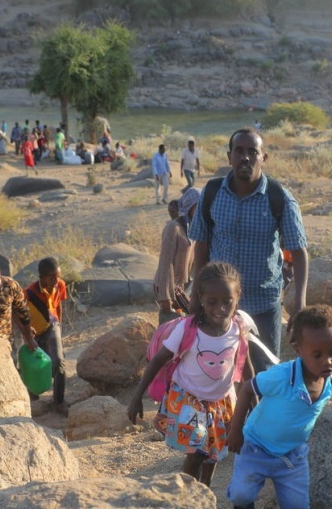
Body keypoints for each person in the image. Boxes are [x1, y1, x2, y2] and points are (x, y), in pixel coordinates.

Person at [188, 127, 308, 372]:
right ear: (229, 156)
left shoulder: (279, 198)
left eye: (252, 152)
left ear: (264, 158)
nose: (245, 157)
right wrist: (196, 297)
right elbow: (201, 245)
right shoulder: (211, 194)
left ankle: (260, 411)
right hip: (218, 306)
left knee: (265, 372)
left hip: (263, 304)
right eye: (239, 151)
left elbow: (299, 252)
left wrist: (300, 305)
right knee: (218, 370)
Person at [127, 262, 255, 487]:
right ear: (201, 298)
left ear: (238, 297)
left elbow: (246, 368)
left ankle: (204, 490)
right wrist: (137, 397)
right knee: (196, 451)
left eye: (227, 301)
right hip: (188, 397)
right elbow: (159, 359)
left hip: (221, 401)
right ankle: (187, 494)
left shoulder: (238, 329)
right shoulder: (188, 329)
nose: (220, 308)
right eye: (212, 302)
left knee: (213, 452)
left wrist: (255, 404)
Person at [225, 304, 332, 509]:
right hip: (256, 446)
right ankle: (244, 505)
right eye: (317, 354)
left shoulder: (329, 382)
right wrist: (235, 432)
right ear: (298, 349)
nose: (327, 361)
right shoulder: (282, 376)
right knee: (240, 494)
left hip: (292, 457)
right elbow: (248, 388)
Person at [25, 257, 68, 410]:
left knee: (59, 361)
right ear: (42, 277)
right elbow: (21, 314)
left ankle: (59, 401)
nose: (56, 280)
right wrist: (27, 334)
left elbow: (59, 305)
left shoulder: (60, 285)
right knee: (37, 362)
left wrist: (60, 324)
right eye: (52, 277)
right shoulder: (30, 293)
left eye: (58, 276)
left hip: (52, 325)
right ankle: (33, 392)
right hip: (35, 330)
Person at [154, 188, 200, 325]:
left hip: (185, 285)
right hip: (170, 286)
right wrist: (165, 296)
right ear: (190, 206)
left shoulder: (195, 226)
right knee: (174, 323)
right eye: (198, 206)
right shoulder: (174, 228)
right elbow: (165, 262)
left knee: (188, 321)